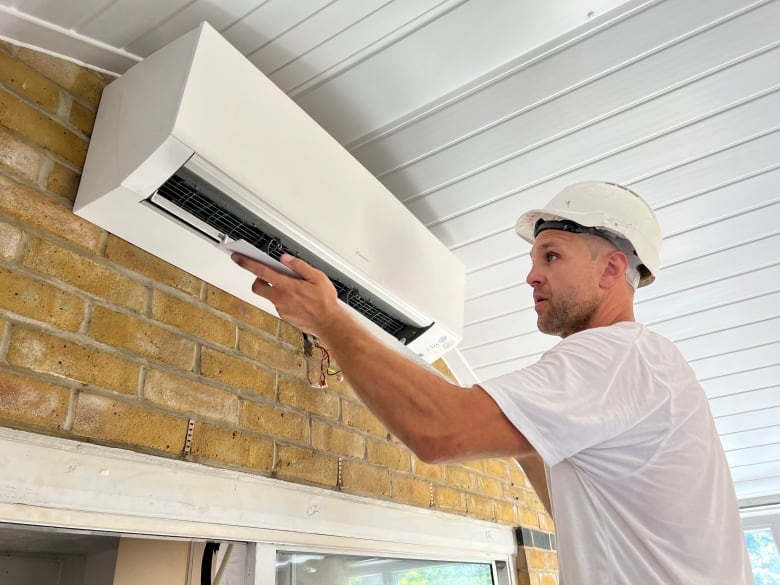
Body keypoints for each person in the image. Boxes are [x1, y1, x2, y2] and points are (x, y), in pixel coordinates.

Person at [232, 181, 753, 584]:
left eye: (551, 255)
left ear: (612, 268)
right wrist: (527, 438)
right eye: (533, 260)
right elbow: (588, 510)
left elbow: (440, 432)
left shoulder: (621, 353)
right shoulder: (641, 370)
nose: (531, 275)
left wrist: (330, 320)